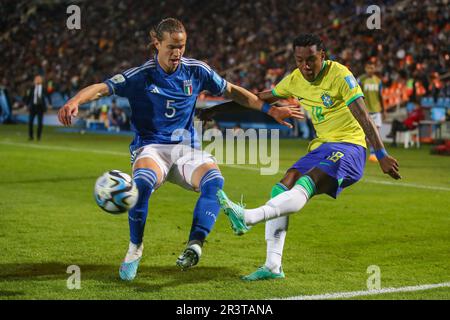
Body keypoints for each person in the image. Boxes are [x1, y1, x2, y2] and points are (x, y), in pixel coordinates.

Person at [58, 18, 301, 281]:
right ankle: (134, 249)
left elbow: (233, 91)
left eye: (182, 46)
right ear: (157, 44)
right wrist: (75, 101)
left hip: (186, 148)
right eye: (171, 46)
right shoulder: (141, 75)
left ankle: (195, 244)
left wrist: (269, 109)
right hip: (151, 147)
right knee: (141, 186)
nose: (177, 53)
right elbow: (101, 88)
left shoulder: (196, 71)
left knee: (214, 181)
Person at [217, 34, 401, 281]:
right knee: (282, 186)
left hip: (350, 148)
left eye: (311, 60)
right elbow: (261, 97)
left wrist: (381, 154)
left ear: (322, 56)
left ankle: (248, 217)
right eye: (300, 60)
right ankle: (273, 266)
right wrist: (215, 111)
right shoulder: (294, 79)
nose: (305, 66)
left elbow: (364, 116)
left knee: (308, 182)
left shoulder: (340, 75)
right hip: (321, 147)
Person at [358, 61, 386, 162]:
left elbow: (381, 96)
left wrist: (384, 110)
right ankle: (369, 153)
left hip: (376, 110)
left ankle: (374, 154)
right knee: (366, 135)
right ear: (365, 68)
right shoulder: (360, 80)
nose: (371, 70)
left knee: (376, 133)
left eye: (372, 68)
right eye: (369, 68)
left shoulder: (378, 81)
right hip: (365, 110)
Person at [26, 75, 50, 141]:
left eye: (39, 79)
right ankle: (31, 137)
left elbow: (48, 96)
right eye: (36, 79)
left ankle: (38, 137)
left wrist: (50, 104)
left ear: (41, 80)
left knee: (40, 123)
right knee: (30, 122)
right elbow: (28, 97)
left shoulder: (43, 88)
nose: (37, 80)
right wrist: (26, 104)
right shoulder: (32, 88)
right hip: (33, 107)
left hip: (40, 107)